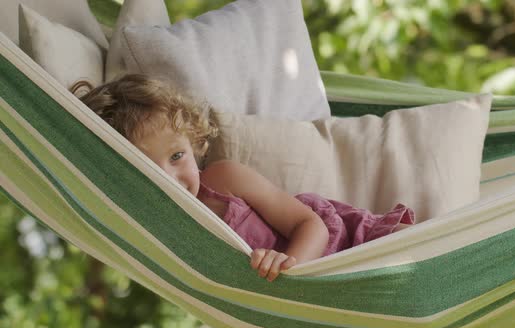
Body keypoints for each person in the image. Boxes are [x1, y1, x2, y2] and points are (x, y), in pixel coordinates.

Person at [71, 74, 415, 282]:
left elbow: (312, 225)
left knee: (427, 250)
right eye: (145, 168)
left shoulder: (223, 180)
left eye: (177, 156)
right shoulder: (155, 237)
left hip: (346, 246)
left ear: (193, 144)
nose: (170, 178)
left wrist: (291, 266)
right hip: (319, 303)